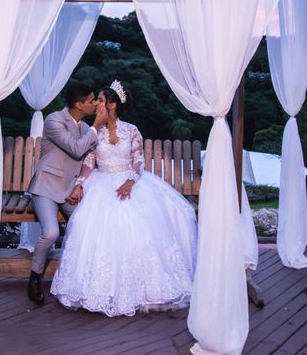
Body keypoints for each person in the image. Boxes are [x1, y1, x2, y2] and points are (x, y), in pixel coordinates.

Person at [51, 80, 197, 317]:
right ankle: (95, 290)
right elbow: (89, 161)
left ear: (112, 105)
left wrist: (130, 181)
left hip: (128, 180)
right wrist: (79, 184)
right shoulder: (93, 130)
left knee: (136, 223)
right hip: (101, 182)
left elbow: (139, 161)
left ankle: (143, 289)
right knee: (85, 224)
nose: (95, 103)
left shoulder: (131, 130)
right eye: (95, 99)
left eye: (99, 99)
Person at [26, 81, 108, 304]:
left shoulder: (83, 127)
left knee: (85, 225)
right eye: (91, 100)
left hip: (69, 190)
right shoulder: (54, 120)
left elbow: (90, 156)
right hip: (46, 186)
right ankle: (35, 276)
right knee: (51, 232)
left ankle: (82, 276)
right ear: (79, 104)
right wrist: (96, 125)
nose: (94, 104)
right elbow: (76, 148)